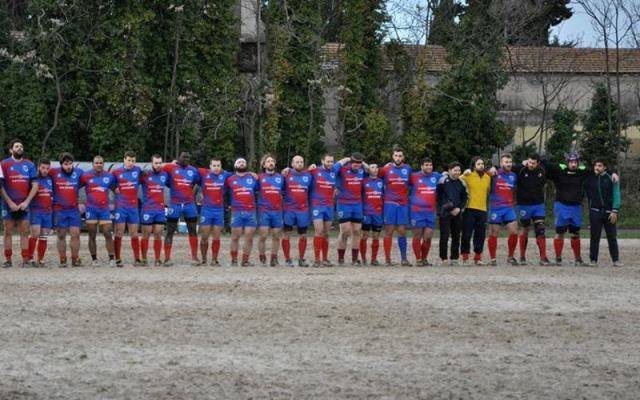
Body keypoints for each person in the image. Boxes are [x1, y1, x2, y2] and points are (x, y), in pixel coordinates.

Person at [540, 152, 618, 266]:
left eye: (575, 162)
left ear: (578, 162)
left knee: (575, 232)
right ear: (567, 162)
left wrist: (613, 172)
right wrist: (527, 163)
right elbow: (543, 163)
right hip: (561, 205)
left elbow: (600, 168)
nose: (573, 164)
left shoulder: (583, 171)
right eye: (571, 162)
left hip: (576, 206)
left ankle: (578, 259)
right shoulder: (559, 169)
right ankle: (558, 258)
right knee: (560, 231)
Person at [1, 139, 38, 268]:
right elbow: (0, 186)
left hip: (24, 204)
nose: (20, 148)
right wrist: (10, 202)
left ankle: (25, 259)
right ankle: (8, 259)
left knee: (25, 231)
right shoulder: (3, 164)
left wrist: (26, 202)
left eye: (21, 146)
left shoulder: (30, 164)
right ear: (11, 150)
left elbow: (35, 185)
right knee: (8, 231)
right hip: (8, 204)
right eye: (17, 146)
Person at [162, 152, 202, 266]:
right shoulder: (170, 167)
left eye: (188, 158)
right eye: (183, 157)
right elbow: (159, 170)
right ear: (178, 158)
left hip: (189, 205)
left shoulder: (193, 170)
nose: (186, 159)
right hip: (175, 204)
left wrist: (195, 193)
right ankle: (167, 258)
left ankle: (194, 257)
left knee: (192, 230)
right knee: (170, 231)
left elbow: (198, 182)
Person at [512, 153, 550, 265]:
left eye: (533, 163)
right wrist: (494, 168)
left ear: (538, 163)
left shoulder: (542, 170)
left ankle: (543, 257)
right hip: (523, 205)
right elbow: (507, 168)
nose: (531, 165)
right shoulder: (521, 169)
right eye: (529, 162)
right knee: (525, 229)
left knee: (540, 229)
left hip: (538, 205)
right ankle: (522, 256)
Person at [584, 158, 622, 267]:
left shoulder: (611, 178)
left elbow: (616, 194)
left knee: (612, 237)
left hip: (609, 212)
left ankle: (615, 260)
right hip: (595, 211)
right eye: (596, 165)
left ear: (604, 167)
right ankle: (593, 260)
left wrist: (615, 210)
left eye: (600, 165)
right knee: (594, 237)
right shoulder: (590, 178)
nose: (597, 167)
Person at [379, 146, 412, 266]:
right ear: (393, 156)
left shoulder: (408, 168)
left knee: (402, 231)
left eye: (400, 156)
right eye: (396, 156)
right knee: (389, 230)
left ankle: (404, 259)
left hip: (403, 204)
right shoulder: (386, 169)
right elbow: (374, 178)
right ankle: (388, 260)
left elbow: (412, 183)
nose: (398, 158)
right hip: (390, 203)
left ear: (403, 157)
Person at [81, 155, 116, 266]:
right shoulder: (85, 175)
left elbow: (115, 189)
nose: (99, 165)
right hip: (91, 210)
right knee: (92, 234)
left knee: (107, 233)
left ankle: (111, 258)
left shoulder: (109, 176)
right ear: (92, 164)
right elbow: (75, 187)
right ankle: (94, 259)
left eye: (101, 163)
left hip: (104, 210)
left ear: (103, 164)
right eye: (96, 163)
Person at [49, 152, 83, 267]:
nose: (68, 166)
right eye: (65, 164)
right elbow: (41, 175)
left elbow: (87, 181)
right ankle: (62, 260)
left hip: (73, 209)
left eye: (70, 164)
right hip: (59, 209)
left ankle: (75, 259)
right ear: (61, 164)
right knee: (61, 235)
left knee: (75, 234)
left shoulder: (79, 172)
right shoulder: (53, 172)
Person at [486, 154, 519, 266]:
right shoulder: (493, 173)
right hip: (495, 208)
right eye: (506, 162)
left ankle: (510, 257)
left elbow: (514, 190)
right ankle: (493, 258)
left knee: (514, 231)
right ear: (501, 163)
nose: (508, 164)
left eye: (510, 162)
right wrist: (490, 169)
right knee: (493, 233)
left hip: (508, 208)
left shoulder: (513, 176)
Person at [112, 151, 143, 267]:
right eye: (129, 160)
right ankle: (117, 258)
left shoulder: (138, 170)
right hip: (121, 207)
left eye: (133, 161)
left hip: (133, 207)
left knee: (134, 233)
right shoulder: (116, 172)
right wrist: (113, 188)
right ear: (124, 160)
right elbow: (108, 182)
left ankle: (137, 259)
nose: (131, 163)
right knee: (119, 232)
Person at [198, 157, 230, 266]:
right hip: (206, 209)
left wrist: (250, 173)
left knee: (216, 236)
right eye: (214, 165)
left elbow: (239, 174)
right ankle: (203, 259)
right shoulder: (204, 173)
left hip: (219, 210)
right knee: (204, 236)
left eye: (218, 166)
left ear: (221, 166)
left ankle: (214, 259)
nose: (216, 168)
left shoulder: (225, 175)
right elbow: (189, 168)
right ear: (210, 166)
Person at [226, 158, 259, 266]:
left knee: (249, 237)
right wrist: (227, 204)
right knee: (235, 237)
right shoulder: (230, 179)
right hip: (236, 211)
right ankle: (234, 260)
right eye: (239, 162)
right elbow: (224, 192)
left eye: (243, 162)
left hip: (251, 211)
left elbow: (259, 191)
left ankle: (245, 260)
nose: (241, 163)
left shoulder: (253, 178)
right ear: (235, 165)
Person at [334, 153, 366, 266]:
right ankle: (341, 258)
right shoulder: (343, 170)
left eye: (359, 163)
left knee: (357, 231)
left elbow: (372, 171)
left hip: (357, 204)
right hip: (344, 203)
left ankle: (354, 259)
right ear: (350, 162)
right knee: (345, 231)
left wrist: (363, 164)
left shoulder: (362, 171)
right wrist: (345, 159)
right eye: (354, 162)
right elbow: (333, 169)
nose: (356, 165)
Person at [409, 157, 440, 266]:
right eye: (426, 165)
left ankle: (424, 258)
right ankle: (418, 259)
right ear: (421, 166)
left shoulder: (436, 176)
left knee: (428, 236)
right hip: (416, 211)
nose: (429, 167)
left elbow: (450, 175)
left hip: (430, 211)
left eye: (430, 165)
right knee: (417, 235)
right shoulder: (414, 176)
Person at [282, 155, 313, 267]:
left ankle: (301, 259)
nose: (299, 164)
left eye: (301, 162)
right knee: (286, 234)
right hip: (289, 209)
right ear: (292, 164)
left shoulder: (308, 175)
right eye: (297, 162)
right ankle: (287, 259)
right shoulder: (286, 174)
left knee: (303, 235)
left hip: (303, 210)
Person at [460, 157, 491, 265]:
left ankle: (478, 257)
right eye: (478, 164)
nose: (481, 165)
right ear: (473, 166)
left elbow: (488, 191)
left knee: (480, 235)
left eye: (482, 164)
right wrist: (464, 174)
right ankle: (465, 257)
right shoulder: (468, 175)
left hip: (482, 209)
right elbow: (457, 180)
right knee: (466, 234)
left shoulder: (487, 177)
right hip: (469, 209)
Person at [140, 155, 169, 266]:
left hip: (160, 210)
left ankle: (157, 259)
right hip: (147, 209)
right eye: (156, 163)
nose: (158, 165)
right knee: (146, 235)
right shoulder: (144, 175)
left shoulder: (164, 174)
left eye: (160, 163)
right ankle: (144, 259)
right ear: (151, 163)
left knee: (158, 234)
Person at [257, 154, 285, 267]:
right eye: (268, 161)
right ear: (264, 165)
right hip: (264, 210)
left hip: (277, 211)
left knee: (276, 235)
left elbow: (284, 191)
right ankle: (262, 255)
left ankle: (274, 258)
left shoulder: (281, 177)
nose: (270, 163)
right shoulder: (259, 178)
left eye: (272, 161)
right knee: (263, 235)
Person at [437, 162, 467, 265]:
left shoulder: (461, 182)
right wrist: (442, 209)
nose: (457, 172)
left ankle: (454, 258)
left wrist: (459, 208)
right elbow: (438, 197)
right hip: (445, 213)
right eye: (455, 170)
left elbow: (464, 197)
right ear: (449, 170)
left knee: (456, 236)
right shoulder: (442, 181)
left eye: (459, 170)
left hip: (457, 213)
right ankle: (444, 258)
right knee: (444, 236)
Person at [309, 154, 337, 267]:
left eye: (331, 161)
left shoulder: (334, 172)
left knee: (326, 233)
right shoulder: (315, 171)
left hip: (329, 206)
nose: (330, 163)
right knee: (319, 231)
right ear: (322, 161)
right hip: (317, 205)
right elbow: (301, 174)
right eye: (328, 161)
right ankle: (317, 260)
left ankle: (325, 259)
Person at [27, 159, 53, 267]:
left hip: (47, 212)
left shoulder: (50, 179)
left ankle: (40, 260)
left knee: (44, 235)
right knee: (35, 233)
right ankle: (29, 258)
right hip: (35, 210)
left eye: (47, 168)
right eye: (43, 168)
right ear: (38, 167)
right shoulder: (33, 179)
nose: (45, 170)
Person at [360, 162, 384, 266]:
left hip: (378, 213)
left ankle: (374, 259)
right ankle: (363, 258)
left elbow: (383, 196)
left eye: (376, 167)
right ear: (368, 170)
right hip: (366, 213)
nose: (375, 169)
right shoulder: (364, 181)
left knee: (376, 236)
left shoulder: (381, 182)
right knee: (364, 235)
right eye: (372, 167)